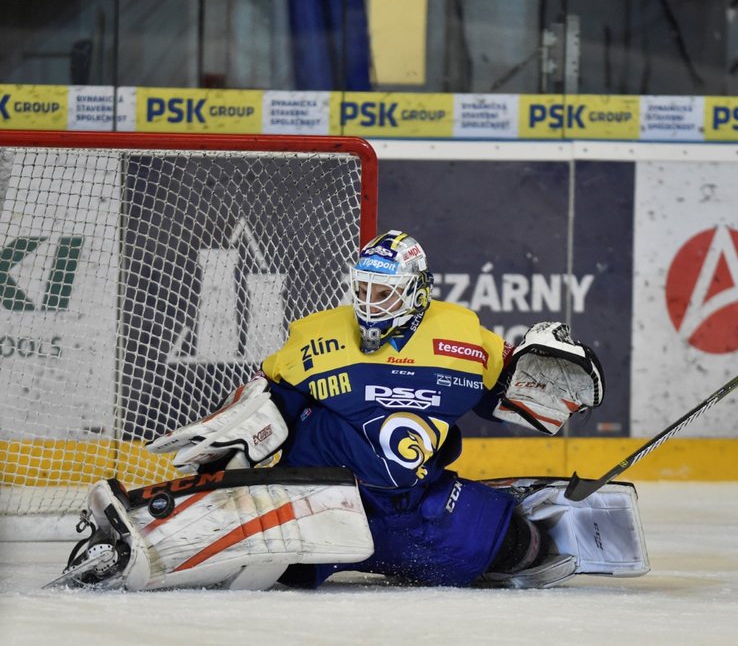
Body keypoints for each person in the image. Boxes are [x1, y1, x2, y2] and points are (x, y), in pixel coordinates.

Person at [51, 230, 649, 591]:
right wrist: (228, 445)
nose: (368, 303)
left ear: (415, 290)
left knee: (520, 545)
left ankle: (470, 530)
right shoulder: (316, 335)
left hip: (410, 506)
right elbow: (271, 405)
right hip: (314, 501)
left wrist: (548, 375)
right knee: (272, 564)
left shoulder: (463, 337)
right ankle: (157, 524)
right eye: (361, 289)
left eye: (382, 292)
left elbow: (509, 398)